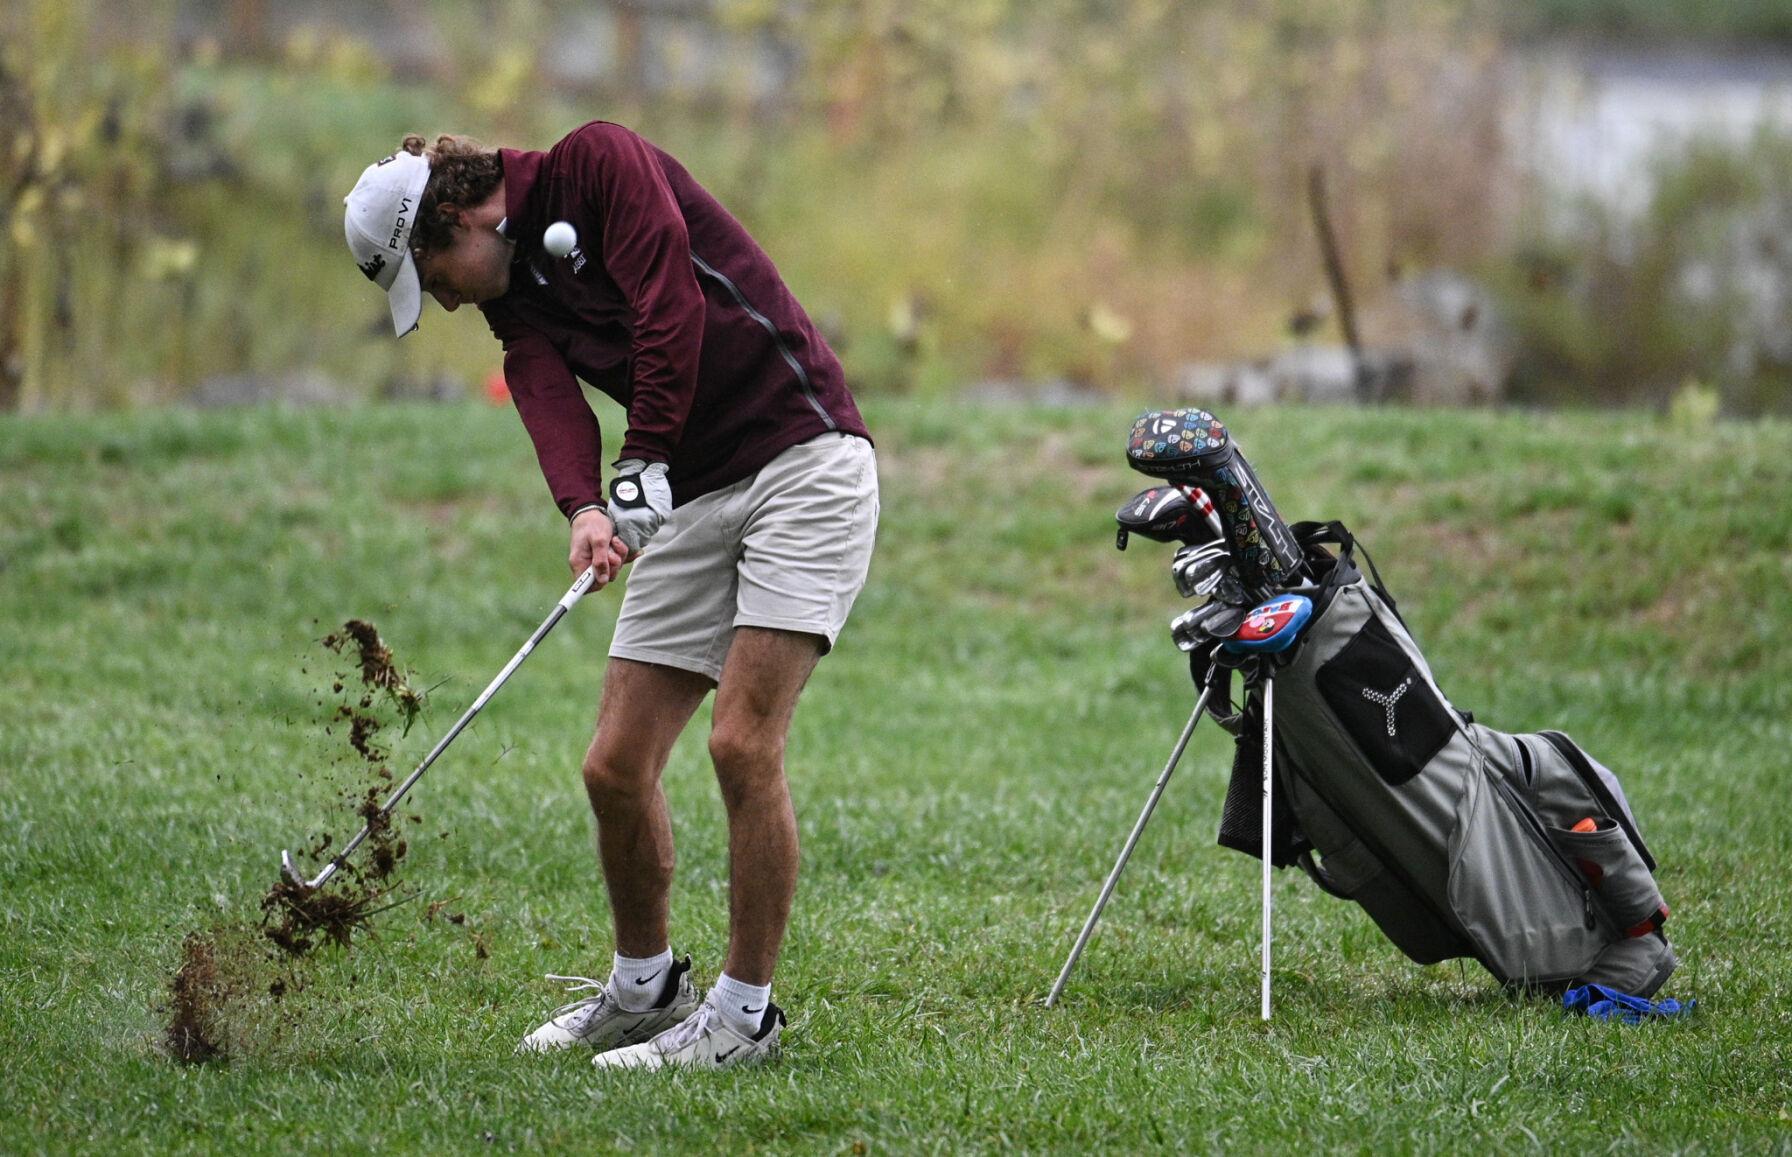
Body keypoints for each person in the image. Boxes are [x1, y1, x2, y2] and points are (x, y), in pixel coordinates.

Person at [341, 121, 878, 1070]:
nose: (452, 304)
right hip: (691, 489)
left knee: (742, 743)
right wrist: (587, 505)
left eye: (436, 276)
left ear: (457, 217)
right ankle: (646, 988)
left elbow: (673, 304)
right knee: (614, 765)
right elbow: (540, 381)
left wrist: (643, 461)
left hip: (803, 459)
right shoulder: (515, 292)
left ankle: (743, 1018)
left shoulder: (600, 165)